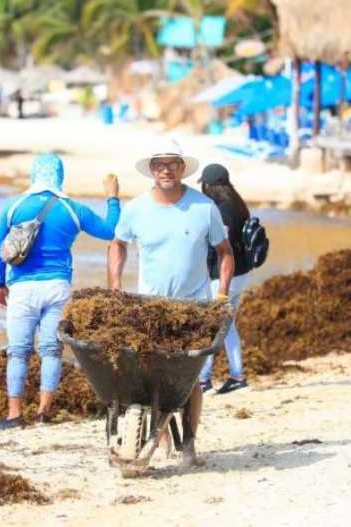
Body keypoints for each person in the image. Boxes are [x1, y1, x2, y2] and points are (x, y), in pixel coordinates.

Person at [108, 141, 234, 466]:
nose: (165, 169)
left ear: (182, 168)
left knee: (190, 379)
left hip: (194, 309)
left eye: (172, 163)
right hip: (148, 309)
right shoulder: (136, 208)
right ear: (152, 169)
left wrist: (222, 294)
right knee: (151, 375)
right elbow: (118, 244)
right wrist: (116, 284)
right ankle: (161, 441)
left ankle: (189, 443)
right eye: (159, 164)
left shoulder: (204, 207)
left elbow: (225, 252)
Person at [0, 153, 120, 430]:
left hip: (22, 288)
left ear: (34, 174)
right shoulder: (72, 209)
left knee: (18, 352)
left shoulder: (14, 206)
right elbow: (110, 231)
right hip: (57, 287)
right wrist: (112, 197)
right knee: (51, 350)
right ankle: (42, 412)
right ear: (60, 175)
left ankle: (14, 415)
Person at [197, 164, 251, 395]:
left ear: (210, 186)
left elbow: (220, 248)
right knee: (227, 326)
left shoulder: (221, 211)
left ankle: (203, 381)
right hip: (242, 273)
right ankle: (237, 376)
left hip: (224, 277)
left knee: (210, 326)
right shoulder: (239, 205)